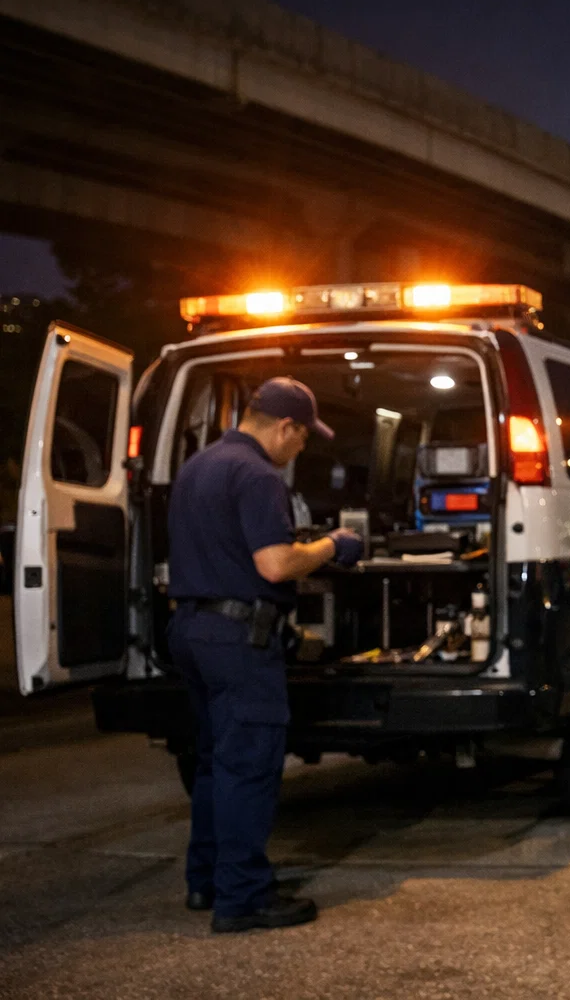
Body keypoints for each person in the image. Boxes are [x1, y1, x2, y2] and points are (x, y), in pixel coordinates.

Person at [167, 376, 363, 933]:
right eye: (302, 439)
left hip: (192, 630)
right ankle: (244, 898)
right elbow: (275, 565)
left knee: (213, 761)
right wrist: (333, 545)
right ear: (286, 426)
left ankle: (205, 882)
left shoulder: (197, 466)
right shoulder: (257, 475)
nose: (300, 450)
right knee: (248, 766)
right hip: (238, 639)